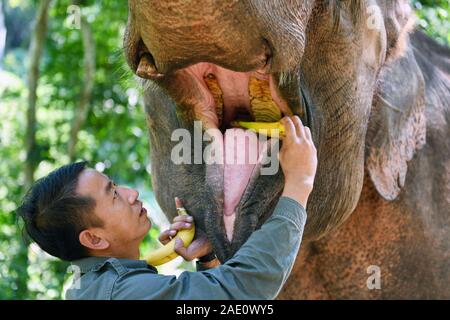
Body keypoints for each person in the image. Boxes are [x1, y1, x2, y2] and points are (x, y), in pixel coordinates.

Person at [17, 116, 317, 299]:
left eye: (115, 184)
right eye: (114, 195)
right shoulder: (123, 294)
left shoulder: (98, 287)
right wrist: (299, 185)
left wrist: (208, 258)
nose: (132, 193)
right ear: (94, 239)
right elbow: (242, 292)